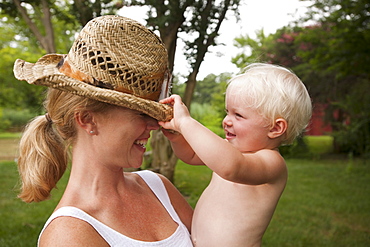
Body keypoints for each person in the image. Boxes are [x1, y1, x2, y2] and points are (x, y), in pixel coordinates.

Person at [13, 15, 193, 247]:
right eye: (142, 114)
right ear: (87, 119)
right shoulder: (68, 236)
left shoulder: (158, 187)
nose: (154, 125)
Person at [159, 63, 312, 247]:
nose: (226, 121)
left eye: (238, 115)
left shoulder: (272, 162)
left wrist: (186, 123)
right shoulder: (229, 150)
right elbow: (191, 155)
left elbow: (231, 167)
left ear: (275, 128)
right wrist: (178, 139)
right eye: (227, 112)